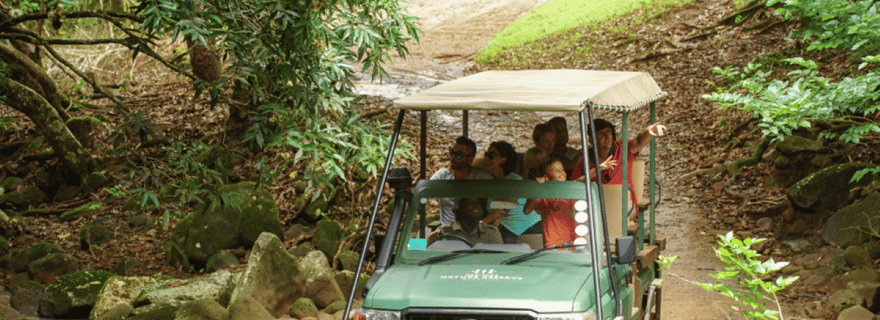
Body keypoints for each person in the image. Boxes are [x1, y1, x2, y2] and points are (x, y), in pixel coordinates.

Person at [570, 119, 667, 216]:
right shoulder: (584, 158)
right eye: (601, 133)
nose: (607, 136)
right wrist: (596, 171)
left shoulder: (621, 148)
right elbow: (575, 184)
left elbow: (638, 141)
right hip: (596, 207)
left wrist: (650, 131)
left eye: (608, 131)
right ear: (591, 139)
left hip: (625, 206)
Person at [480, 141, 542, 244]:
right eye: (486, 154)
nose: (487, 158)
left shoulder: (514, 179)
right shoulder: (492, 182)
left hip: (530, 228)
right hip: (507, 230)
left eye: (492, 155)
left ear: (504, 159)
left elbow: (504, 208)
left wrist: (481, 224)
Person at [431, 136, 493, 226]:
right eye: (452, 152)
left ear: (470, 159)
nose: (452, 157)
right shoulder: (442, 175)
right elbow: (423, 191)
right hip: (445, 231)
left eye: (458, 155)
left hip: (473, 232)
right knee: (417, 239)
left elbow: (497, 206)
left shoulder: (483, 178)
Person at [523, 158, 578, 248]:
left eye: (562, 169)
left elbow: (582, 180)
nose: (561, 172)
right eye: (556, 171)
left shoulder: (569, 190)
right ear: (546, 178)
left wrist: (598, 169)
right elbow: (526, 210)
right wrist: (539, 188)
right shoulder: (544, 197)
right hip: (553, 244)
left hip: (573, 242)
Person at [427, 198, 503, 246]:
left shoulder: (491, 232)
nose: (476, 206)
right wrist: (432, 238)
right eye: (469, 202)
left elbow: (499, 260)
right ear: (457, 210)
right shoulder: (445, 231)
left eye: (478, 202)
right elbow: (430, 246)